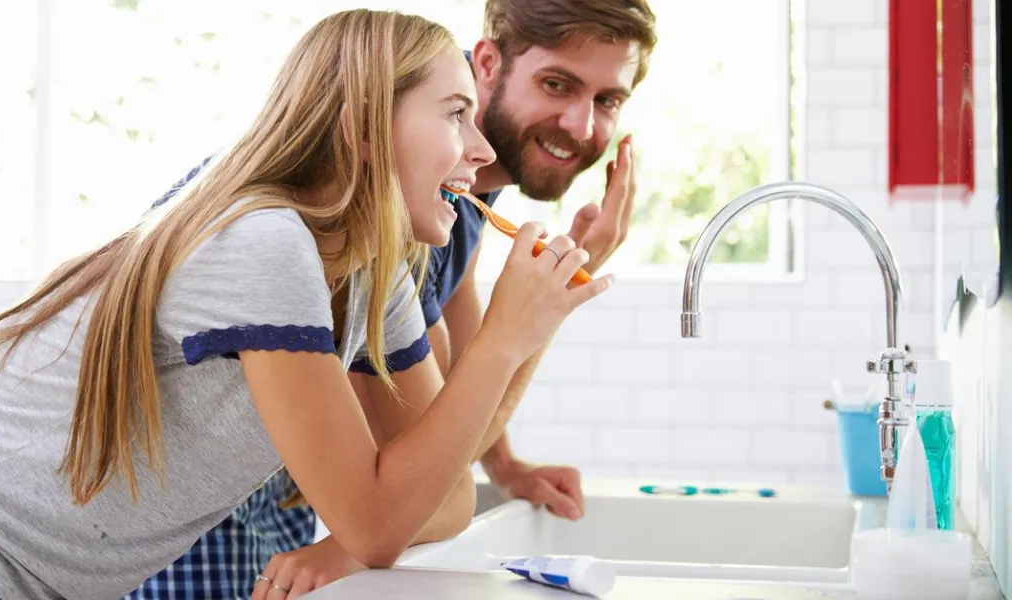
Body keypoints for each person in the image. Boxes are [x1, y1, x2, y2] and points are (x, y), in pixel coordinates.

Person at [0, 8, 610, 600]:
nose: (482, 150)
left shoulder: (372, 273)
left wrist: (518, 332)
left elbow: (446, 494)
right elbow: (378, 522)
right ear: (365, 129)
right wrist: (504, 339)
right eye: (454, 113)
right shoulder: (264, 241)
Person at [134, 1, 657, 598]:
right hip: (186, 532)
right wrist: (536, 318)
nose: (581, 125)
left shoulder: (451, 207)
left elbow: (448, 420)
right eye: (557, 84)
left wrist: (503, 463)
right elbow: (415, 459)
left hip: (267, 517)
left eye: (608, 101)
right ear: (487, 63)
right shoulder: (368, 221)